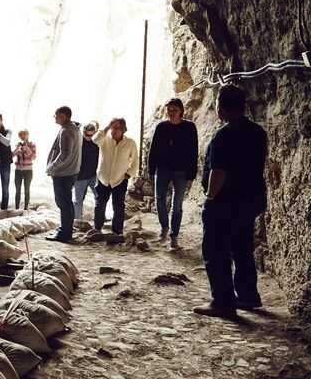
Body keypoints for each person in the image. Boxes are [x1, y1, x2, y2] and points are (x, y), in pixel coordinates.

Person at [195, 85, 267, 318]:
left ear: (222, 108)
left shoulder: (223, 135)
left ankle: (223, 302)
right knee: (242, 247)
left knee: (215, 250)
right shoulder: (257, 132)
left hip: (225, 201)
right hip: (250, 200)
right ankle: (247, 295)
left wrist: (210, 197)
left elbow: (219, 171)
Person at [148, 97, 199, 249]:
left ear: (181, 111)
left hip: (181, 171)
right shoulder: (161, 127)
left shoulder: (189, 127)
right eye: (169, 110)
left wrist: (191, 174)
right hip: (162, 168)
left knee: (177, 205)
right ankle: (164, 227)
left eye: (174, 110)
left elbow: (193, 151)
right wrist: (151, 170)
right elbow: (154, 149)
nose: (171, 113)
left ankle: (174, 236)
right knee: (159, 199)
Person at [92, 118, 139, 235]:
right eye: (113, 127)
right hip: (103, 177)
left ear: (123, 130)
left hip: (120, 179)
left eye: (117, 128)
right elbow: (94, 139)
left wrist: (128, 174)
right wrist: (107, 126)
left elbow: (135, 161)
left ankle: (117, 232)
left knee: (118, 206)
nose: (114, 130)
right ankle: (97, 228)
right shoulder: (104, 140)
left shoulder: (130, 143)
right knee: (100, 204)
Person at [45, 106, 81, 242]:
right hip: (71, 171)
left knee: (63, 202)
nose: (54, 117)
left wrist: (52, 167)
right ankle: (65, 229)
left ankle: (64, 233)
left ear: (64, 116)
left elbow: (65, 154)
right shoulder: (75, 128)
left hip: (63, 173)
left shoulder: (66, 131)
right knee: (66, 202)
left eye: (56, 115)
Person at [73, 122, 100, 219]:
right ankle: (77, 220)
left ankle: (100, 218)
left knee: (99, 198)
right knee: (78, 200)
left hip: (94, 175)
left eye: (91, 135)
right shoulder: (78, 142)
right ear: (83, 132)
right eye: (87, 135)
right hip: (80, 176)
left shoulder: (97, 142)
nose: (89, 137)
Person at [13, 130, 36, 210]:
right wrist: (17, 149)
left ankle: (26, 208)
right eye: (21, 135)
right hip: (18, 170)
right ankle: (16, 208)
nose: (22, 136)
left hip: (28, 170)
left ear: (28, 135)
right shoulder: (18, 145)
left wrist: (27, 149)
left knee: (27, 189)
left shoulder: (32, 144)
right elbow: (12, 155)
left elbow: (33, 157)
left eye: (24, 134)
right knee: (17, 190)